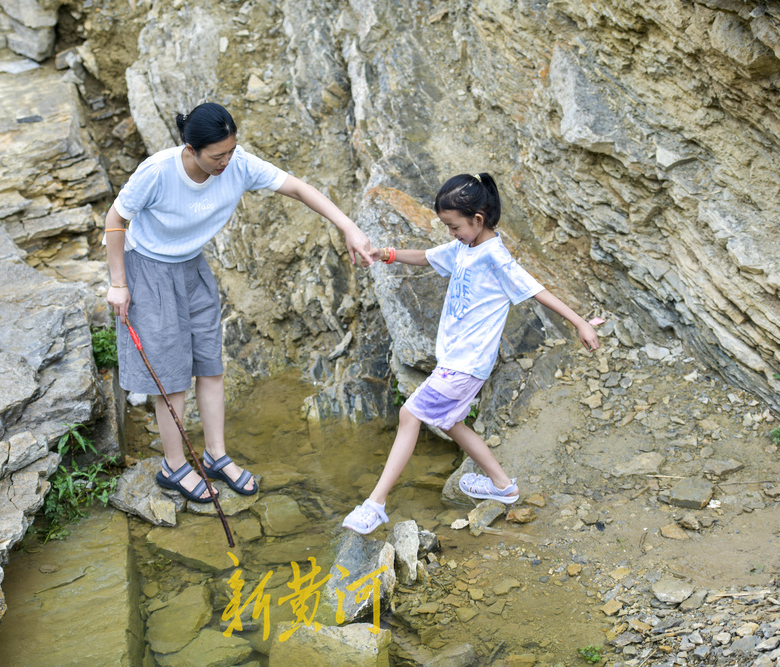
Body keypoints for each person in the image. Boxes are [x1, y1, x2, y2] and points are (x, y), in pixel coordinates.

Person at [105, 102, 373, 503]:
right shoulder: (158, 171)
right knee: (171, 377)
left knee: (210, 365)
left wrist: (349, 227)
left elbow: (298, 188)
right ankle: (174, 466)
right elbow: (115, 218)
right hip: (149, 271)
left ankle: (215, 455)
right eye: (218, 156)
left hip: (192, 269)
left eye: (231, 151)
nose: (227, 162)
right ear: (191, 149)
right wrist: (118, 283)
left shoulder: (240, 164)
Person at [342, 173, 600, 534]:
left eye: (454, 226)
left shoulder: (496, 256)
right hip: (456, 359)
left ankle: (376, 504)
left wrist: (580, 323)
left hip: (467, 364)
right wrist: (386, 254)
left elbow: (536, 289)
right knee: (450, 422)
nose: (451, 233)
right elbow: (429, 257)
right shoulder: (465, 247)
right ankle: (502, 486)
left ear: (478, 219)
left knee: (409, 414)